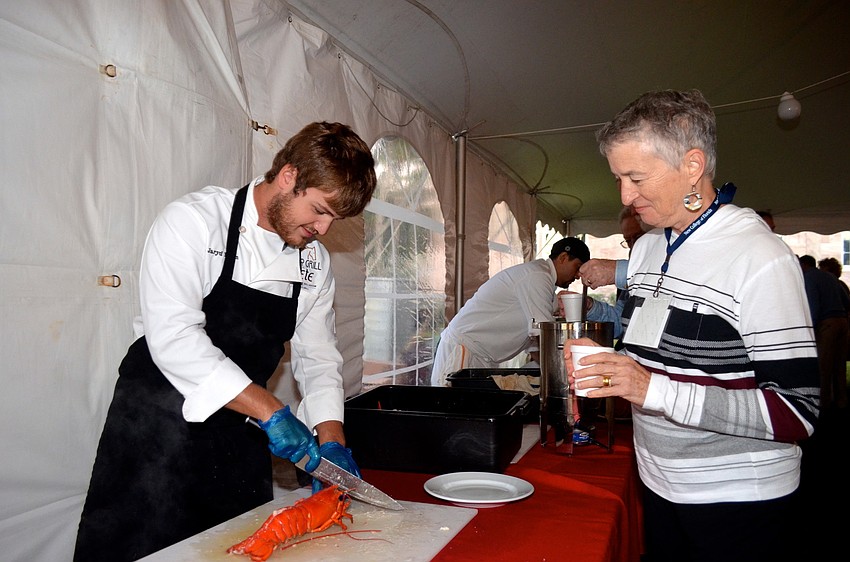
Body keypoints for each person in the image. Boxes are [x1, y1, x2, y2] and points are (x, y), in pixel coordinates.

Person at [74, 121, 378, 562]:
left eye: (335, 218)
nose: (324, 229)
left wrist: (332, 440)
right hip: (156, 426)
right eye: (319, 210)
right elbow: (175, 337)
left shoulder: (314, 265)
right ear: (289, 175)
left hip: (240, 433)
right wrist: (272, 411)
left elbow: (319, 359)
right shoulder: (194, 222)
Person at [563, 89, 820, 562]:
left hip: (740, 502)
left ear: (693, 166)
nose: (625, 195)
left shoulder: (759, 257)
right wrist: (607, 362)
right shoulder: (645, 249)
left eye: (636, 177)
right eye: (619, 177)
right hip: (658, 485)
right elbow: (652, 360)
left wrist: (652, 389)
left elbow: (797, 412)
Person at [430, 237, 590, 386]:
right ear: (563, 257)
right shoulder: (537, 276)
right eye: (577, 268)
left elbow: (535, 339)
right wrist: (564, 373)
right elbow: (543, 334)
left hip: (477, 355)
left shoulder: (542, 279)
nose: (577, 276)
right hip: (463, 351)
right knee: (455, 412)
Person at [579, 205, 649, 340]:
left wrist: (617, 271)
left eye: (639, 237)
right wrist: (591, 307)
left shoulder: (672, 265)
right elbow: (620, 325)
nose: (634, 245)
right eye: (629, 241)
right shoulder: (631, 270)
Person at [800, 254, 850, 411]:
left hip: (827, 325)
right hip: (842, 321)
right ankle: (842, 401)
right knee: (839, 365)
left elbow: (814, 306)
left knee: (824, 368)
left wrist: (810, 330)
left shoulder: (809, 278)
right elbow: (846, 301)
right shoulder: (830, 277)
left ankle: (823, 404)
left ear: (803, 266)